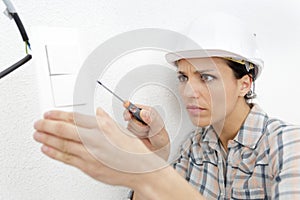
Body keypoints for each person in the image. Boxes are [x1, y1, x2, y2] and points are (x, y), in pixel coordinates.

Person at [33, 13, 300, 199]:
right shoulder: (194, 148)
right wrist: (152, 158)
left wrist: (148, 175)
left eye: (206, 77)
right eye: (184, 77)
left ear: (244, 84)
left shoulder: (288, 146)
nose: (188, 92)